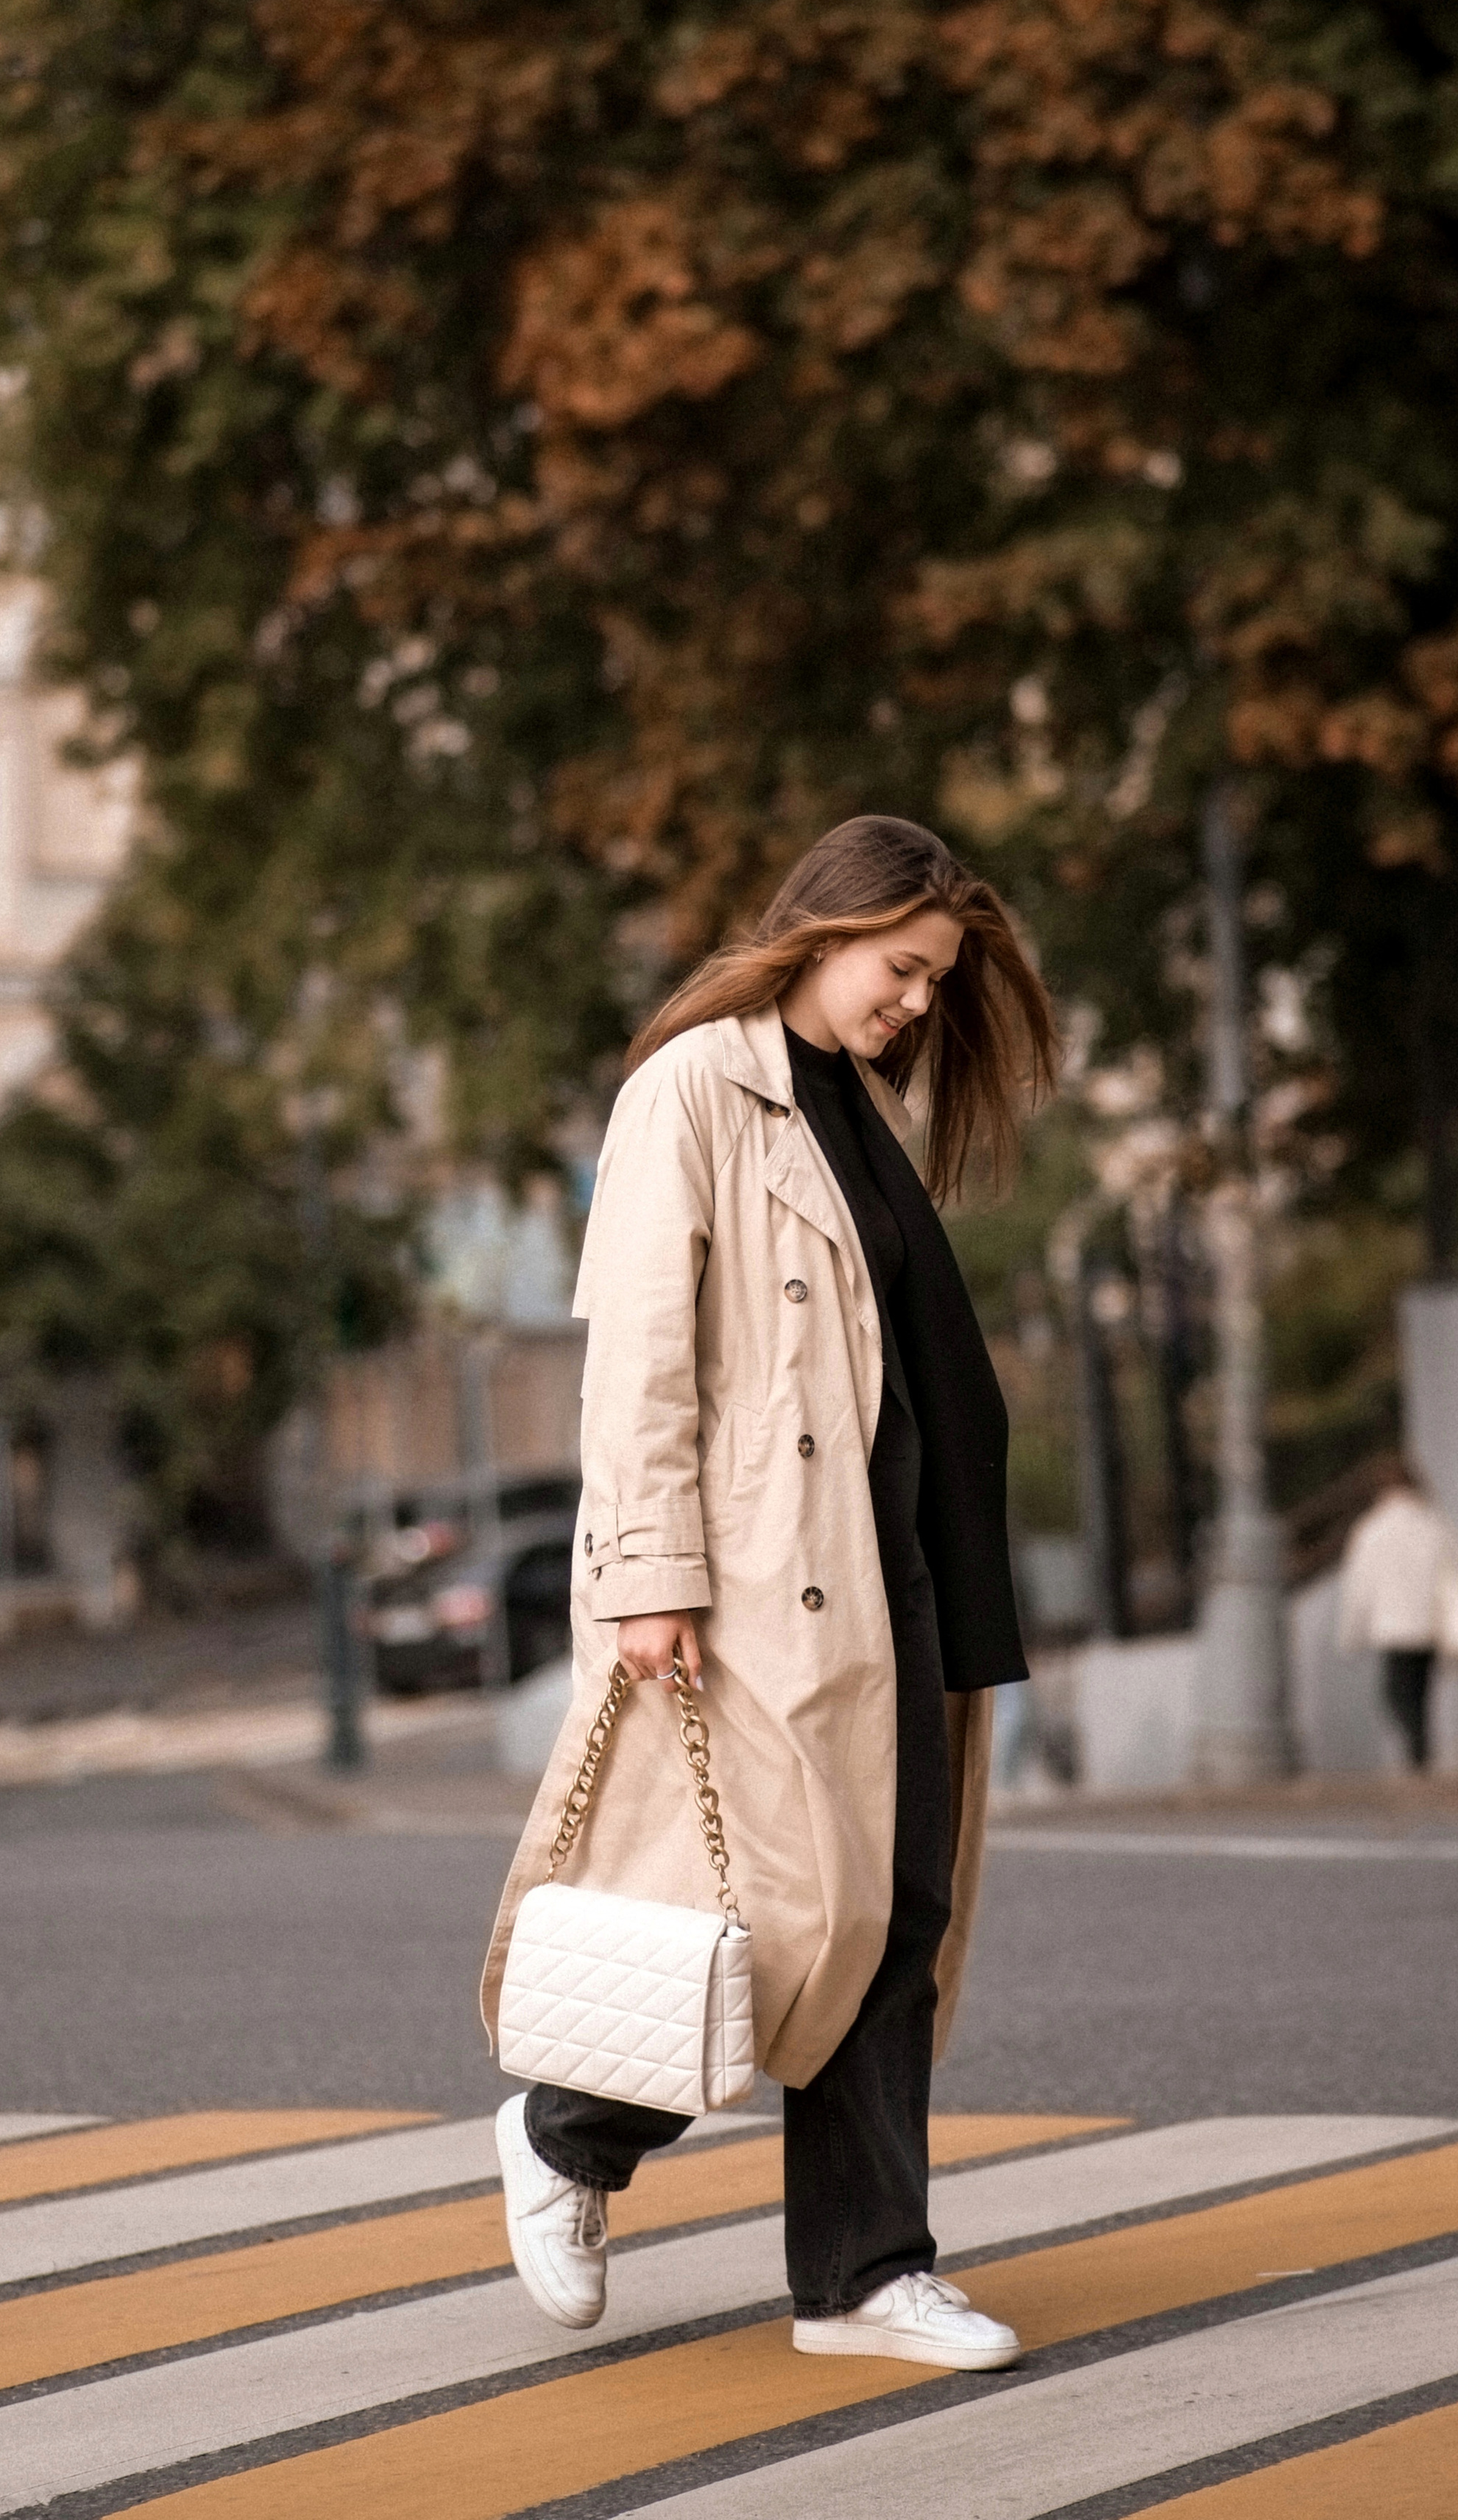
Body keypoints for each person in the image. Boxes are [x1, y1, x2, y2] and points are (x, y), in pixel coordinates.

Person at [480, 816, 1054, 2372]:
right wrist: (651, 1579)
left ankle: (864, 2278)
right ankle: (566, 2133)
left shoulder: (858, 1099)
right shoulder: (692, 1090)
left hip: (905, 1572)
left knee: (901, 1923)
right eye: (902, 968)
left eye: (935, 979)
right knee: (804, 1921)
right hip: (765, 1586)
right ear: (822, 929)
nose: (918, 1004)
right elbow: (640, 1359)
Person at [1335, 1460, 1458, 1769]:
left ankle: (1417, 1750)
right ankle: (1420, 1749)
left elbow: (1359, 1585)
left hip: (1393, 1626)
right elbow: (1456, 1572)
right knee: (1420, 1693)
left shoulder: (1372, 1529)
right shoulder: (1434, 1525)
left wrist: (1350, 1632)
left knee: (1395, 1694)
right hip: (1428, 1623)